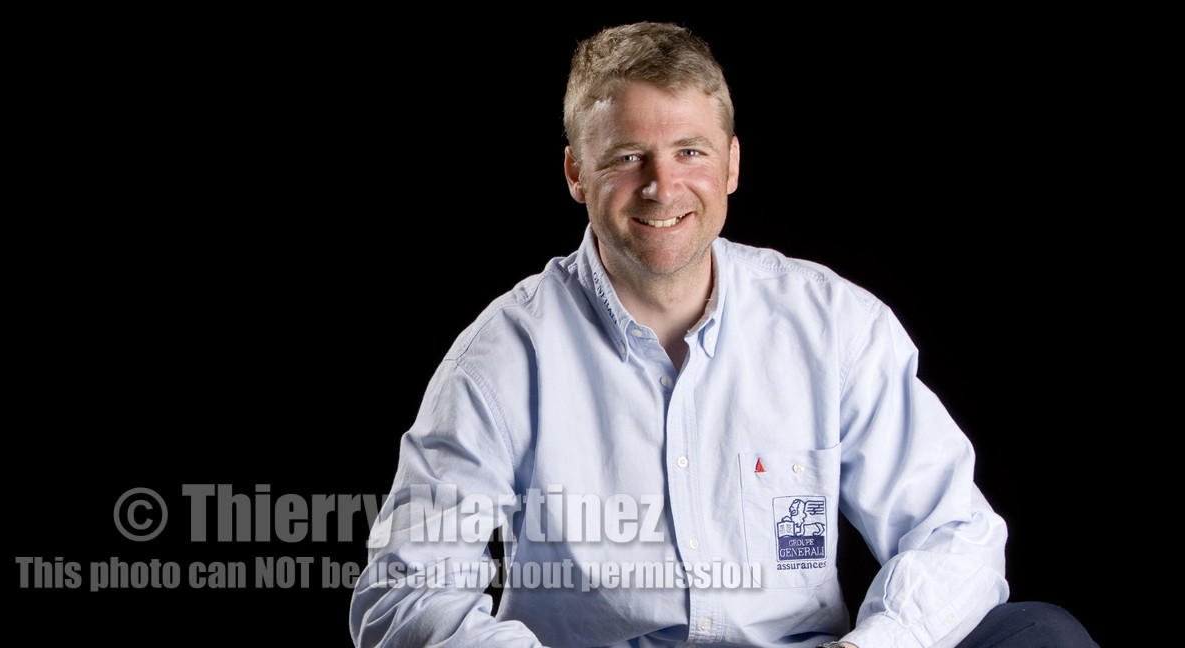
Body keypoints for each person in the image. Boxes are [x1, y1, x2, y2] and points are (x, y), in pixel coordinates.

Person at [348, 22, 1094, 648]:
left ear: (732, 164)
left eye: (691, 153)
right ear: (576, 172)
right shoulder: (503, 355)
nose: (662, 187)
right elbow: (405, 592)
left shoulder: (832, 324)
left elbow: (957, 531)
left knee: (1041, 634)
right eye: (626, 158)